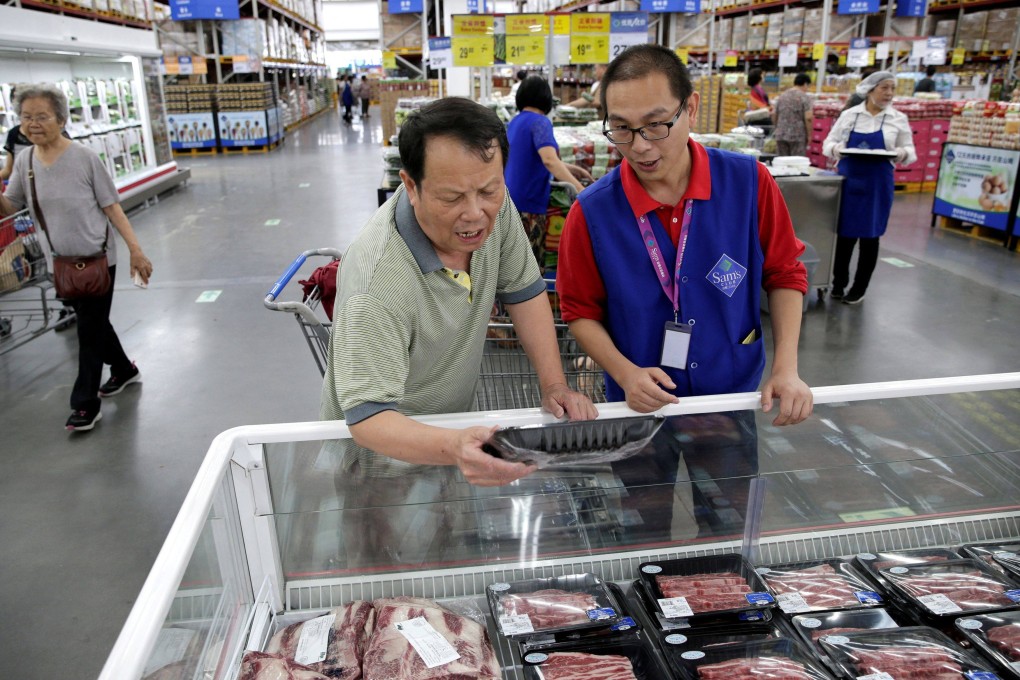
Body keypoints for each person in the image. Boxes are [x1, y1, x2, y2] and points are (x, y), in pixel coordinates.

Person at [320, 96, 597, 488]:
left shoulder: (494, 209)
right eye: (452, 198)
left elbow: (524, 292)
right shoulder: (377, 284)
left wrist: (554, 384)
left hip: (451, 441)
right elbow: (367, 420)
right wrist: (454, 447)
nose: (474, 213)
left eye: (489, 190)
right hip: (377, 462)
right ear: (411, 186)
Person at [557, 44, 813, 425]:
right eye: (622, 128)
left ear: (690, 108)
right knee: (645, 487)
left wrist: (786, 368)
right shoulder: (592, 212)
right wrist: (625, 373)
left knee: (727, 484)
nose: (640, 146)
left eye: (656, 124)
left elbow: (785, 273)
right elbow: (578, 310)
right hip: (639, 401)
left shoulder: (748, 183)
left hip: (729, 391)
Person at [0, 83, 153, 431]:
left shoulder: (84, 158)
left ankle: (85, 404)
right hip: (61, 262)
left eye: (42, 116)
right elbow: (11, 205)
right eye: (26, 117)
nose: (33, 124)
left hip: (99, 260)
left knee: (87, 329)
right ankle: (124, 370)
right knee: (95, 323)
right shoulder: (24, 161)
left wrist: (136, 250)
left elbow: (112, 208)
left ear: (61, 119)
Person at [822, 71, 916, 305]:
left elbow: (910, 152)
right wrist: (836, 150)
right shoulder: (850, 116)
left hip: (878, 183)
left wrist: (901, 153)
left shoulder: (898, 118)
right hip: (850, 180)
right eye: (884, 88)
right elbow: (828, 144)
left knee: (870, 237)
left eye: (892, 88)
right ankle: (838, 283)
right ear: (870, 89)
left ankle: (859, 288)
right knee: (845, 236)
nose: (889, 93)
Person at [505, 76, 592, 272]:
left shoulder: (515, 122)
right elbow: (549, 160)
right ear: (546, 98)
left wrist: (573, 168)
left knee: (514, 265)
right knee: (530, 269)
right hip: (530, 204)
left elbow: (533, 158)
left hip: (511, 202)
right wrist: (580, 189)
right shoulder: (540, 123)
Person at [772, 73, 813, 157]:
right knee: (796, 163)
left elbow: (774, 114)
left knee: (782, 162)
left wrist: (777, 128)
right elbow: (808, 117)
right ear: (805, 84)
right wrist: (809, 135)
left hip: (780, 134)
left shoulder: (782, 96)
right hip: (797, 136)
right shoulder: (804, 97)